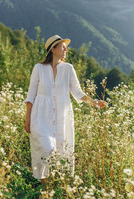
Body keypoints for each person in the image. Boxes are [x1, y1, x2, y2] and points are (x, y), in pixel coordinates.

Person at [25, 35, 105, 185]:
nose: (66, 49)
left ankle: (55, 188)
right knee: (46, 150)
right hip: (41, 117)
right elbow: (31, 94)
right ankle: (45, 187)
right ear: (53, 49)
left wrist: (94, 102)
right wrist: (27, 118)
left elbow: (77, 92)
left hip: (61, 118)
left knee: (60, 154)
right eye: (62, 46)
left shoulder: (68, 69)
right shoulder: (39, 68)